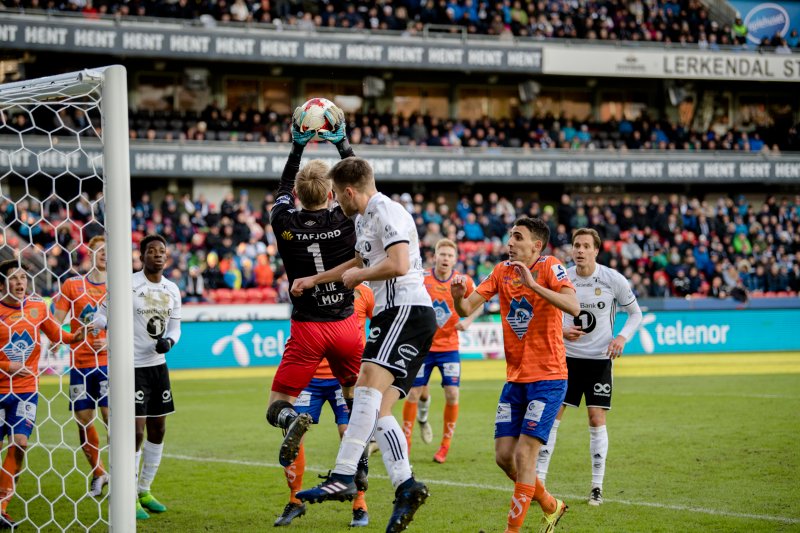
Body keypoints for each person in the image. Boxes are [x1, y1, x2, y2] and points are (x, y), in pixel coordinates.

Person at [292, 157, 437, 532]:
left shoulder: (386, 209)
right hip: (397, 315)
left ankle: (342, 475)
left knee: (366, 386)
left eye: (338, 195)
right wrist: (314, 280)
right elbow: (357, 261)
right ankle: (406, 486)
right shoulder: (363, 218)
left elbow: (400, 264)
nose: (336, 202)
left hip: (406, 310)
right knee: (381, 410)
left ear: (350, 191)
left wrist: (361, 276)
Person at [264, 106, 370, 498]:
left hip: (307, 328)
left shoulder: (283, 222)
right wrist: (342, 143)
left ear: (296, 196)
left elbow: (282, 190)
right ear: (332, 193)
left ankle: (293, 419)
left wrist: (297, 147)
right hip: (346, 324)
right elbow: (362, 187)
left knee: (278, 404)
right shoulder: (347, 218)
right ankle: (358, 467)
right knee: (356, 398)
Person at [451, 217, 579, 533]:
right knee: (503, 456)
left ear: (536, 245)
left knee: (524, 455)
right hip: (515, 380)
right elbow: (467, 309)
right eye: (510, 236)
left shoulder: (551, 266)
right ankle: (551, 504)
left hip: (548, 378)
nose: (510, 242)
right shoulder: (501, 272)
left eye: (517, 237)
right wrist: (456, 296)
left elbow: (573, 306)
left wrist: (535, 286)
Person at [536, 228, 643, 506]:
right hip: (565, 360)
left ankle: (597, 486)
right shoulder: (563, 278)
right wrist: (561, 331)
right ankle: (539, 482)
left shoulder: (612, 279)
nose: (580, 250)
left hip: (598, 362)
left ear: (596, 250)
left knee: (596, 419)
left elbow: (635, 314)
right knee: (552, 419)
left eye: (586, 246)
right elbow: (547, 314)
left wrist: (622, 337)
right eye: (576, 245)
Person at [95, 234, 182, 520]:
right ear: (142, 256)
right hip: (131, 367)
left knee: (158, 429)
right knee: (135, 431)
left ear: (166, 257)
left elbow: (175, 328)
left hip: (158, 366)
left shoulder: (172, 289)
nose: (158, 255)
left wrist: (168, 342)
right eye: (152, 251)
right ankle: (127, 494)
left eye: (162, 251)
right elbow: (102, 313)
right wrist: (98, 328)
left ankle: (144, 489)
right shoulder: (127, 284)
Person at [275, 283, 375, 528]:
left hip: (347, 379)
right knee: (294, 436)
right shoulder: (310, 287)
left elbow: (382, 322)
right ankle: (294, 501)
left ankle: (360, 503)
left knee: (349, 434)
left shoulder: (364, 292)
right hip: (310, 379)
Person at [0, 259, 84, 529]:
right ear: (2, 284)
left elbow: (57, 334)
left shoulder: (37, 306)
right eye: (14, 278)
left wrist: (77, 335)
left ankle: (1, 506)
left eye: (24, 277)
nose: (20, 283)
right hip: (0, 389)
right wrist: (7, 366)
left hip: (26, 392)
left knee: (21, 443)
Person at [402, 238, 480, 463]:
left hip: (449, 348)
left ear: (456, 259)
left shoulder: (463, 280)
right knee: (414, 393)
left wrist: (468, 321)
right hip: (423, 348)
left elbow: (480, 303)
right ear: (435, 256)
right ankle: (406, 443)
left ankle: (445, 446)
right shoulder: (422, 278)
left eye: (450, 255)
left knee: (452, 393)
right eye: (442, 254)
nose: (445, 259)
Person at [52, 235, 109, 498]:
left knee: (113, 419)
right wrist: (54, 339)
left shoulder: (120, 287)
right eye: (100, 250)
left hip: (109, 364)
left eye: (109, 251)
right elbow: (56, 320)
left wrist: (109, 343)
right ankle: (98, 473)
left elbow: (133, 327)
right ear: (90, 253)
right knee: (83, 421)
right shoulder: (72, 285)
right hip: (80, 364)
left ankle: (123, 477)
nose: (104, 255)